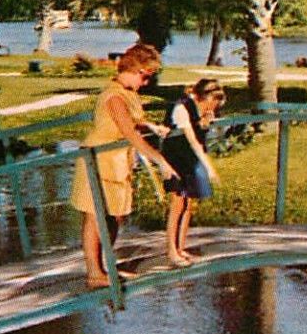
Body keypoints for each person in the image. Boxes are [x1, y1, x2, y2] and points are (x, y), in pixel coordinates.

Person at [70, 43, 176, 288]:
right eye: (146, 77)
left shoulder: (128, 93)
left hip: (118, 161)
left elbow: (134, 120)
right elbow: (129, 132)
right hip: (98, 160)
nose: (146, 83)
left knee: (115, 216)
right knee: (95, 216)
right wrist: (160, 160)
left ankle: (105, 266)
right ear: (136, 70)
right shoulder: (114, 96)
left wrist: (151, 126)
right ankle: (94, 273)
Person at [161, 78, 225, 267]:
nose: (211, 109)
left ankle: (180, 248)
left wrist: (204, 124)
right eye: (212, 104)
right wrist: (209, 168)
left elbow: (198, 136)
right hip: (176, 160)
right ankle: (172, 251)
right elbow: (192, 141)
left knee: (188, 205)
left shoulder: (196, 110)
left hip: (188, 160)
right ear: (205, 97)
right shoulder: (181, 108)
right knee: (177, 204)